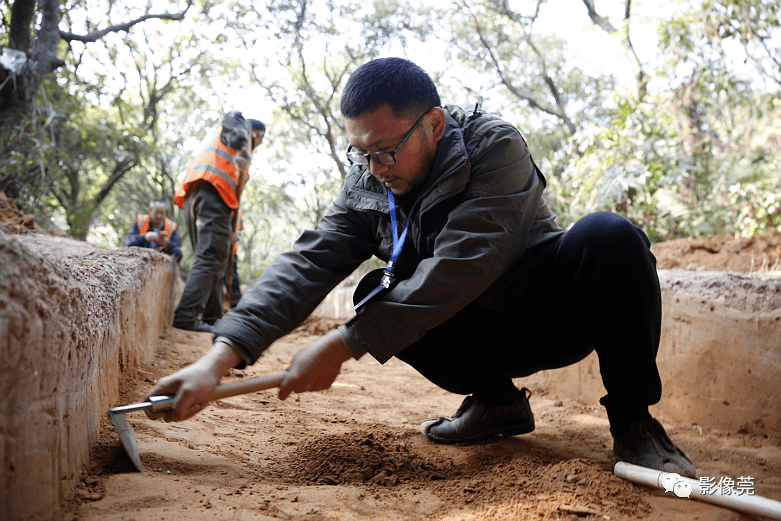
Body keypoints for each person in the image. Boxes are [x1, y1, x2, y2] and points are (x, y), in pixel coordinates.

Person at [147, 58, 697, 478]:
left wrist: (342, 345)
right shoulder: (368, 180)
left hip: (546, 315)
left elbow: (464, 263)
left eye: (385, 150)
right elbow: (309, 260)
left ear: (433, 124)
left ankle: (634, 422)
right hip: (472, 334)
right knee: (373, 291)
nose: (373, 168)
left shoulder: (494, 146)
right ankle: (497, 404)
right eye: (359, 153)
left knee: (610, 234)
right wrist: (217, 361)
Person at [171, 112, 265, 332]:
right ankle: (185, 316)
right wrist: (244, 147)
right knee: (211, 257)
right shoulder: (241, 131)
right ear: (258, 134)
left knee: (214, 259)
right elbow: (234, 117)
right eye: (259, 140)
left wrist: (231, 229)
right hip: (211, 192)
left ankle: (212, 318)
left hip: (206, 196)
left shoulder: (236, 154)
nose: (257, 145)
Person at [125, 198, 183, 263]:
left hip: (160, 265)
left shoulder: (171, 226)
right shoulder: (140, 220)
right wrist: (145, 238)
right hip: (139, 260)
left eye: (162, 213)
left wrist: (167, 243)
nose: (159, 216)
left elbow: (178, 253)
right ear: (149, 210)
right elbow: (128, 241)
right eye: (156, 212)